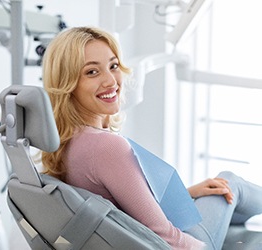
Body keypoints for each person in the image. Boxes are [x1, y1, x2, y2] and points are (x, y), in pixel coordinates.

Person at [41, 26, 262, 249]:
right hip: (175, 243)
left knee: (222, 195)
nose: (111, 81)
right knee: (231, 183)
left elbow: (122, 208)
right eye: (92, 72)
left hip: (137, 237)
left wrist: (189, 194)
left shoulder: (66, 141)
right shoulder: (105, 146)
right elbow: (165, 237)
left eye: (113, 66)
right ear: (67, 84)